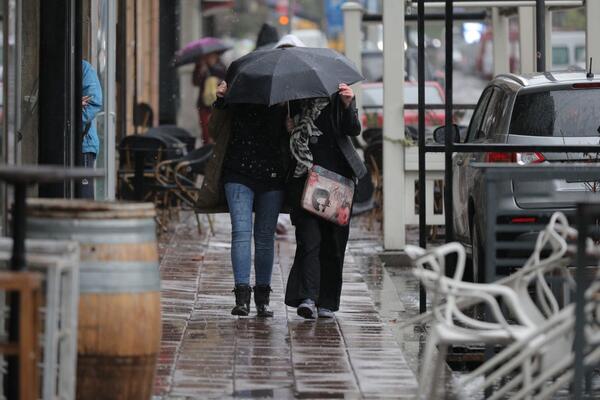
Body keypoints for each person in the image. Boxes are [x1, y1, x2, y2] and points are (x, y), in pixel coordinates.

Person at [195, 80, 290, 317]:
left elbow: (289, 138)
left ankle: (263, 298)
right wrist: (220, 101)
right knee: (241, 232)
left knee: (265, 237)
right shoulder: (233, 101)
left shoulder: (282, 102)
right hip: (238, 174)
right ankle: (242, 296)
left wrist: (290, 124)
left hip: (272, 176)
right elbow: (214, 131)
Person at [284, 83, 367, 319]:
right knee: (309, 241)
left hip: (337, 182)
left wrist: (349, 105)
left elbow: (353, 129)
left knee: (334, 245)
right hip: (306, 180)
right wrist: (290, 128)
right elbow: (290, 143)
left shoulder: (338, 98)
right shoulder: (295, 102)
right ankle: (308, 297)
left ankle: (327, 302)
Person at [79, 60, 103, 199]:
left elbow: (93, 102)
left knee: (84, 197)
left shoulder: (83, 68)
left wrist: (71, 120)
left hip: (83, 143)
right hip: (59, 143)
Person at [193, 52, 226, 145]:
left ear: (216, 56)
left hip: (217, 103)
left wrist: (216, 80)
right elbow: (195, 82)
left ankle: (215, 148)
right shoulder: (200, 66)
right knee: (205, 131)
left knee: (217, 129)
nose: (209, 58)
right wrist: (200, 71)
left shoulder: (221, 67)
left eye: (212, 55)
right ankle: (206, 151)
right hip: (204, 103)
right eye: (207, 56)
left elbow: (226, 82)